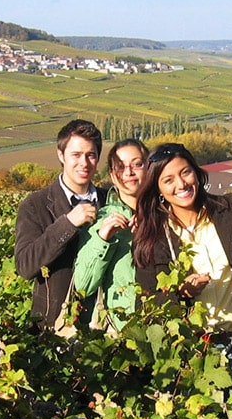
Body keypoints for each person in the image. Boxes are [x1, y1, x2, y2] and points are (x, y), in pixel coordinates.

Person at [133, 142, 232, 370]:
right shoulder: (152, 239)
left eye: (185, 172)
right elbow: (146, 305)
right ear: (158, 189)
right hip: (192, 349)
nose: (181, 184)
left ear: (197, 173)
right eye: (168, 180)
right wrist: (182, 294)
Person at [15, 119, 108, 331]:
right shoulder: (35, 205)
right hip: (52, 329)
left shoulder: (110, 202)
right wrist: (67, 224)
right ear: (61, 155)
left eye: (90, 155)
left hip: (102, 328)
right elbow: (25, 266)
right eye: (76, 155)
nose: (84, 163)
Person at [74, 138, 149, 330]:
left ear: (149, 167)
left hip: (167, 328)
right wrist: (103, 239)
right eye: (120, 167)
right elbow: (83, 287)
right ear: (111, 175)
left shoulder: (169, 214)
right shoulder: (101, 221)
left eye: (137, 164)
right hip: (120, 331)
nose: (128, 173)